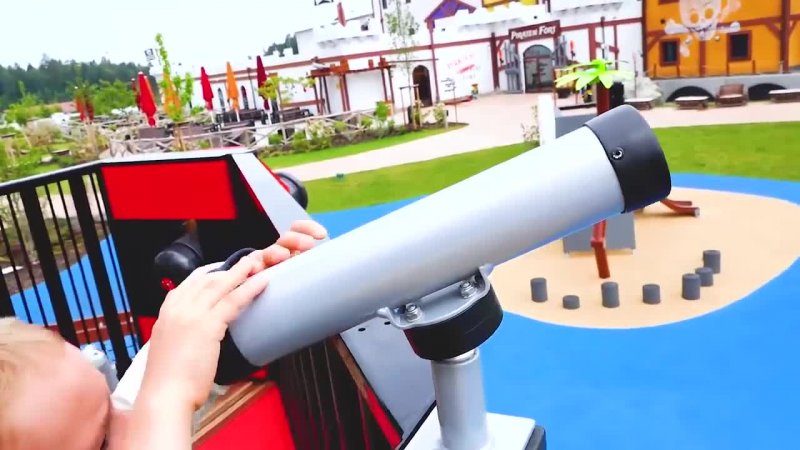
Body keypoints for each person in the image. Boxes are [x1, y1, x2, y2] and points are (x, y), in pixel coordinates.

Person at [0, 219, 327, 450]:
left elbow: (155, 382)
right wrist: (171, 394)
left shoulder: (112, 421)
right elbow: (161, 400)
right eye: (101, 443)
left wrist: (240, 286)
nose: (134, 418)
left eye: (107, 400)